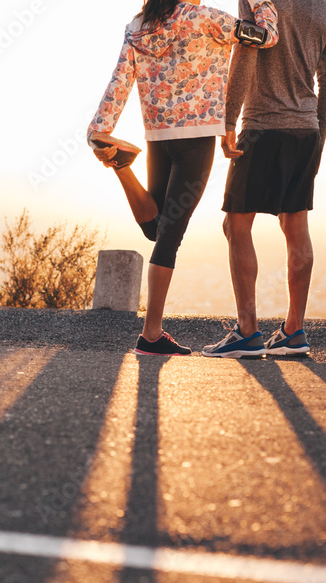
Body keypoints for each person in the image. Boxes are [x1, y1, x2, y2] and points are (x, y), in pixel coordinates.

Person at [89, 0, 279, 356]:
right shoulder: (204, 17)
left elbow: (119, 82)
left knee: (155, 230)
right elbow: (265, 36)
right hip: (195, 139)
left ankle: (122, 165)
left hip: (158, 136)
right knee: (169, 236)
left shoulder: (137, 26)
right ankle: (150, 335)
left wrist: (99, 130)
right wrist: (262, 3)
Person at [202, 0, 326, 359]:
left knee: (237, 225)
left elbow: (246, 53)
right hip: (306, 131)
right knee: (296, 226)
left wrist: (229, 120)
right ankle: (294, 332)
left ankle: (247, 332)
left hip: (263, 128)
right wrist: (318, 138)